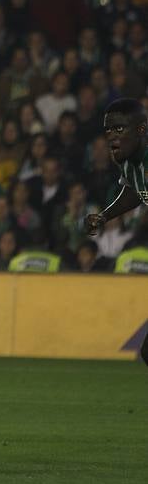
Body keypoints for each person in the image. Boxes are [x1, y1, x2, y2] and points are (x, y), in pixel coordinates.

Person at [86, 97, 148, 366]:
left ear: (141, 130)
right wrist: (105, 216)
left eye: (120, 129)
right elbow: (135, 189)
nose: (112, 136)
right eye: (108, 130)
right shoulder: (126, 161)